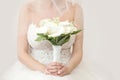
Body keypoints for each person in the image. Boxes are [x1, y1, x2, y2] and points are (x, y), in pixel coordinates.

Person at [1, 0, 104, 80]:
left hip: (67, 71)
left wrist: (68, 68)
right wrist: (44, 69)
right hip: (35, 71)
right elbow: (21, 53)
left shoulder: (75, 8)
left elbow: (78, 51)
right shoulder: (28, 9)